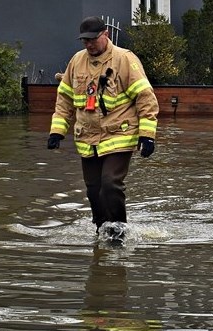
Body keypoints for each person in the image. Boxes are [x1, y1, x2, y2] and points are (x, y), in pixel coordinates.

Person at [48, 16, 159, 243]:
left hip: (120, 134)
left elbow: (145, 97)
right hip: (87, 138)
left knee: (110, 184)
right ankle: (101, 231)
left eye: (93, 39)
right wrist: (57, 130)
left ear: (105, 34)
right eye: (85, 41)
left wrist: (147, 136)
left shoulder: (124, 59)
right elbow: (64, 98)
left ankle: (119, 231)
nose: (89, 44)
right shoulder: (77, 61)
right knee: (93, 190)